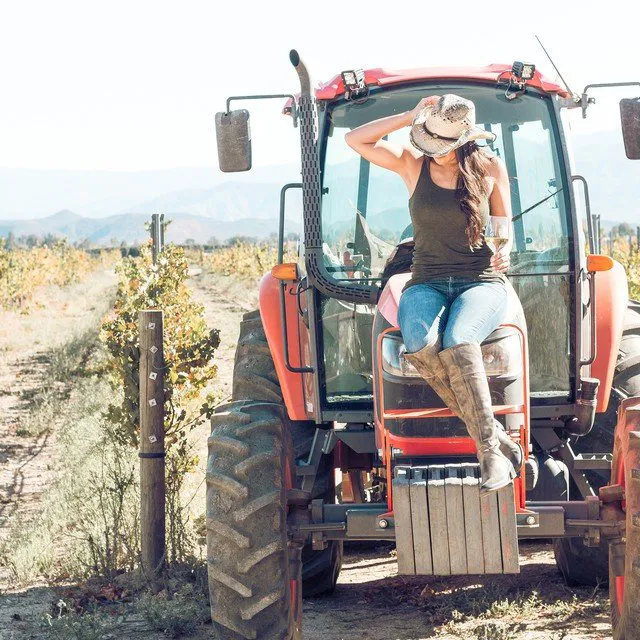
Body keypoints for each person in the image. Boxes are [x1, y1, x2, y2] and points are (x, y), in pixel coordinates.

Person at [345, 94, 522, 493]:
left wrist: (504, 248)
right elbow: (356, 140)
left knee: (460, 341)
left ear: (465, 141)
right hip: (425, 280)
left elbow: (502, 224)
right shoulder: (413, 165)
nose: (434, 151)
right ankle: (492, 430)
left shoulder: (490, 167)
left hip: (480, 280)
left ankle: (489, 451)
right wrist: (409, 117)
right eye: (429, 140)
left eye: (442, 145)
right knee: (420, 345)